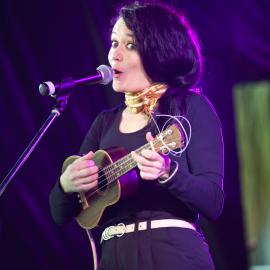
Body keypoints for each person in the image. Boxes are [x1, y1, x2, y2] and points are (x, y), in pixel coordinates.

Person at [49, 2, 224, 269]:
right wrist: (66, 186)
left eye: (129, 45)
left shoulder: (191, 108)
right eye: (113, 42)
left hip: (172, 252)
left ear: (159, 51)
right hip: (113, 257)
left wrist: (169, 173)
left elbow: (213, 202)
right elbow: (60, 214)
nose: (114, 55)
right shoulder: (104, 122)